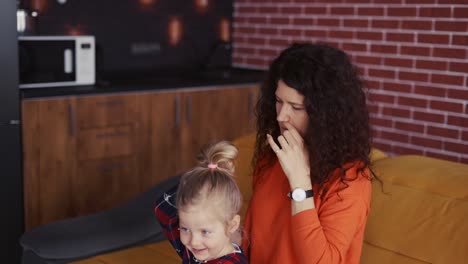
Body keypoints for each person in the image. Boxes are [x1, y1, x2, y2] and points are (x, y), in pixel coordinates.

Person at [242, 42, 374, 264]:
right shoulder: (272, 156)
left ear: (326, 114)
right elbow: (255, 242)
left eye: (296, 107)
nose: (281, 116)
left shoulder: (350, 180)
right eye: (278, 101)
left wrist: (300, 183)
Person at [155, 141, 248, 264]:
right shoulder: (196, 249)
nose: (194, 241)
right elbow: (162, 208)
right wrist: (200, 180)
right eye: (185, 229)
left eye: (205, 231)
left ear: (231, 225)